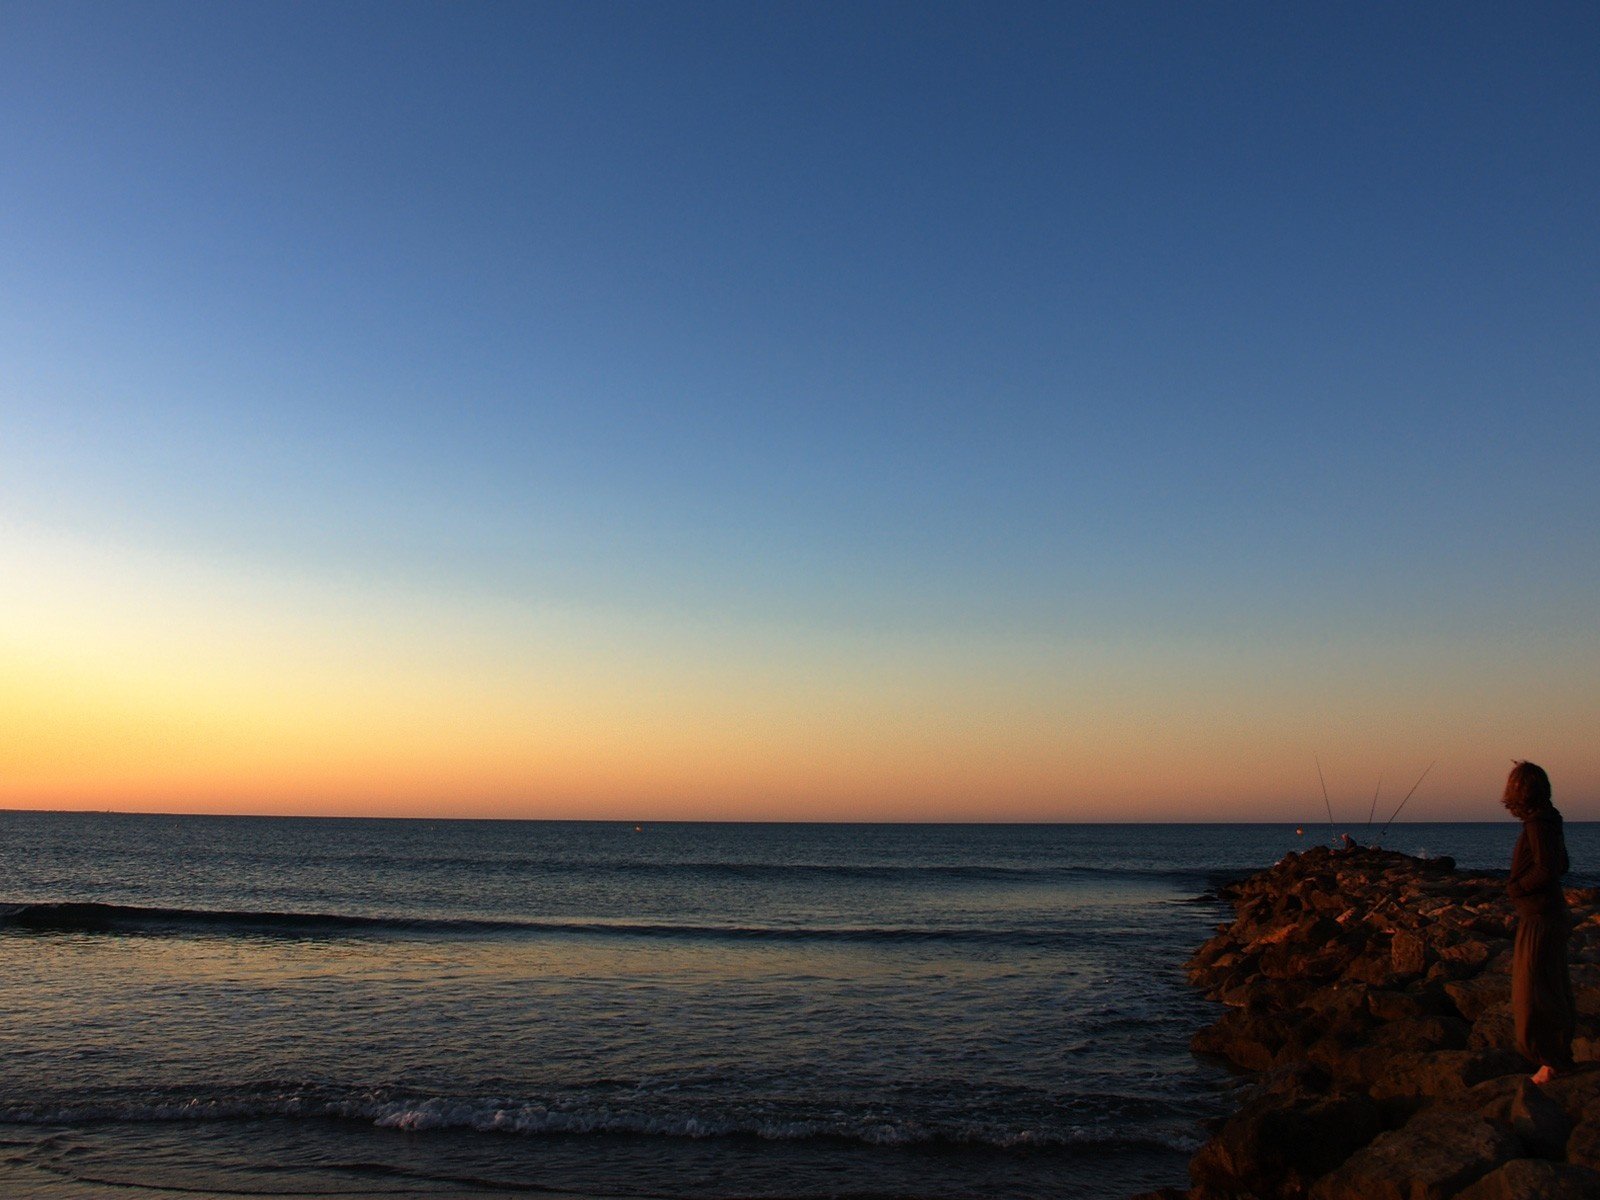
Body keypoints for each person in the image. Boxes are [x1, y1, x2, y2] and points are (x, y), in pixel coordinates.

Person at [1502, 760, 1575, 1085]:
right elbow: (1562, 863)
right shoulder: (1549, 822)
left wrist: (1516, 887)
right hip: (1548, 914)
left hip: (1540, 916)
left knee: (1531, 991)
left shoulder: (1538, 825)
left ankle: (1550, 1060)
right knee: (1551, 986)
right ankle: (1557, 1056)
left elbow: (1548, 868)